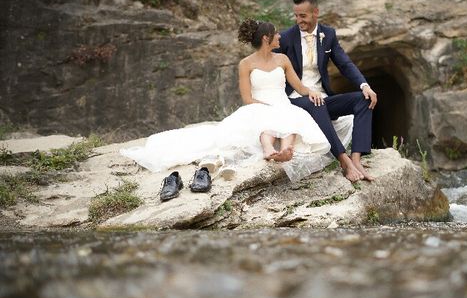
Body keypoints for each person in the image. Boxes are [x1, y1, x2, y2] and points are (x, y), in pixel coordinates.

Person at [120, 19, 331, 188]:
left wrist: (311, 92)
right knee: (267, 119)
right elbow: (247, 98)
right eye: (276, 33)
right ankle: (268, 150)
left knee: (290, 116)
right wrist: (265, 108)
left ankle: (286, 151)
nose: (279, 36)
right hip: (258, 105)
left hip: (282, 104)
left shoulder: (282, 59)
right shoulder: (245, 64)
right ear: (266, 38)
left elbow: (299, 86)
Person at [275, 0, 378, 182]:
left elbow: (345, 64)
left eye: (303, 16)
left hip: (322, 97)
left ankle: (356, 158)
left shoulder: (328, 34)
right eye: (296, 16)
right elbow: (270, 66)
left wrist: (365, 85)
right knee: (317, 103)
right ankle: (343, 160)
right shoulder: (285, 38)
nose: (299, 20)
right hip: (296, 99)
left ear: (315, 12)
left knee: (364, 99)